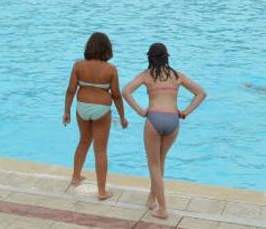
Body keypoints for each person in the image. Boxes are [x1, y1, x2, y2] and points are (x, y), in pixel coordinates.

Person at [122, 43, 206, 219]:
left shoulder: (146, 75)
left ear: (149, 58)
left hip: (154, 119)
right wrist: (185, 112)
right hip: (173, 121)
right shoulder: (177, 76)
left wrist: (140, 111)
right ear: (167, 57)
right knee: (160, 161)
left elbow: (126, 91)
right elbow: (201, 93)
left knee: (153, 164)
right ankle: (152, 198)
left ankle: (163, 208)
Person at [63, 32, 129, 200]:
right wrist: (122, 116)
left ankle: (75, 177)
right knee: (100, 150)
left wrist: (67, 111)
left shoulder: (78, 66)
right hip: (102, 109)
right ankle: (101, 191)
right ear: (107, 49)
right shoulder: (111, 69)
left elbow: (71, 90)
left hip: (82, 107)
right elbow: (116, 95)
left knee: (83, 141)